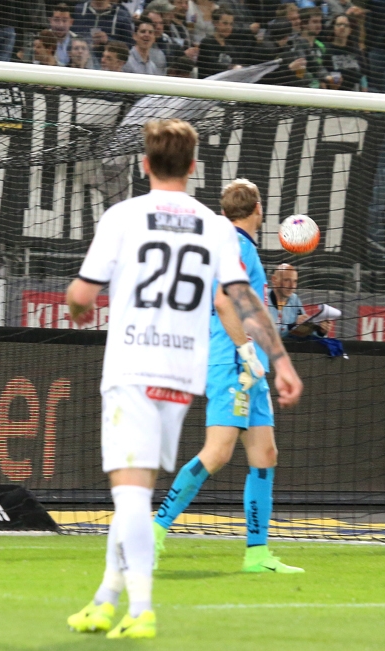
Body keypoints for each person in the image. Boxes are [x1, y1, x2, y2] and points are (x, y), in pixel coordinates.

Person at [65, 119, 303, 640]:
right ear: (194, 168)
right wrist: (279, 361)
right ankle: (108, 598)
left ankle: (141, 604)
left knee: (131, 491)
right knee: (188, 467)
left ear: (144, 164)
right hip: (184, 368)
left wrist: (78, 306)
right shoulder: (215, 229)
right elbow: (235, 300)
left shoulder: (123, 215)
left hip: (134, 363)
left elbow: (82, 297)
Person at [153, 178, 303, 575]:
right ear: (259, 209)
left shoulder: (242, 246)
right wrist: (246, 351)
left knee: (265, 454)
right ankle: (153, 532)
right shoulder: (236, 246)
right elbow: (224, 301)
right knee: (218, 452)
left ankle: (256, 554)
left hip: (248, 364)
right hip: (235, 362)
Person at [324, 14, 367, 91]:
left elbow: (363, 74)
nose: (342, 27)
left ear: (350, 30)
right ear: (333, 28)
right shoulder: (327, 51)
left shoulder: (355, 51)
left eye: (346, 25)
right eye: (339, 24)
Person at [196, 6, 236, 77]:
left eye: (231, 24)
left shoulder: (231, 48)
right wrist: (232, 68)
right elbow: (212, 67)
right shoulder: (207, 43)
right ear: (215, 23)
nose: (228, 27)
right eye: (225, 23)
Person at [268, 263, 307, 336]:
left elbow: (304, 329)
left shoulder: (295, 299)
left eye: (295, 281)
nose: (292, 286)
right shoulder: (262, 298)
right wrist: (292, 326)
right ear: (274, 280)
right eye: (287, 280)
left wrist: (320, 331)